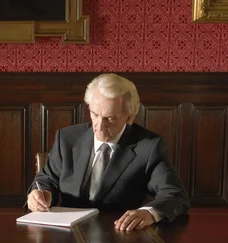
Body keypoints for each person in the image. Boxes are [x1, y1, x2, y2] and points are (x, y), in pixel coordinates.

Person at [27, 73, 189, 231]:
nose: (99, 125)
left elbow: (174, 195)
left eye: (110, 118)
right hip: (67, 235)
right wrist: (40, 193)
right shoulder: (67, 138)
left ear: (128, 116)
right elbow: (47, 179)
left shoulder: (149, 146)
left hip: (119, 234)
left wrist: (148, 214)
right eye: (95, 114)